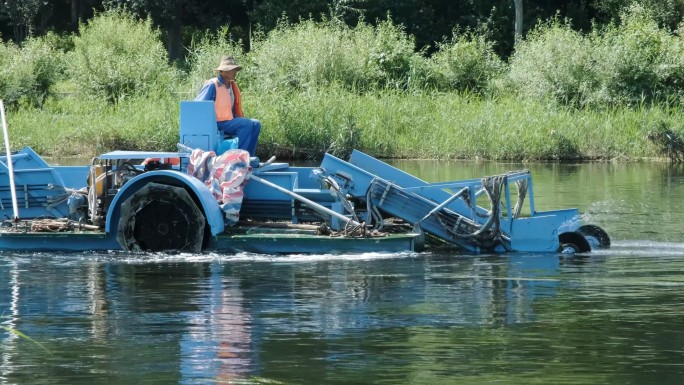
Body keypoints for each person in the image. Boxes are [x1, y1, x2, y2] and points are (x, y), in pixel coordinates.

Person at [195, 56, 261, 156]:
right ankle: (238, 158)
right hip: (217, 123)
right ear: (223, 71)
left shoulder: (231, 86)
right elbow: (198, 106)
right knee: (246, 124)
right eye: (231, 69)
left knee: (256, 124)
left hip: (229, 121)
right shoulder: (212, 85)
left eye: (235, 69)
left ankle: (249, 157)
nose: (235, 72)